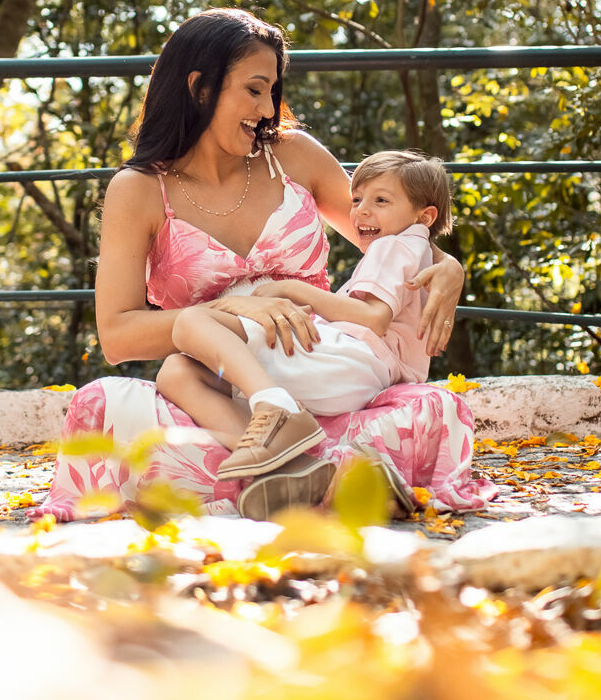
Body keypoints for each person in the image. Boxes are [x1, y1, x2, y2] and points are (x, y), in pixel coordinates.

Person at [36, 7, 496, 522]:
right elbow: (117, 336)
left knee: (432, 407)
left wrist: (448, 265)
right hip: (224, 397)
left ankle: (282, 478)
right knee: (101, 404)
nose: (268, 107)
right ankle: (315, 472)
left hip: (322, 372)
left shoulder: (294, 156)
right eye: (254, 89)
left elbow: (393, 233)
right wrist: (231, 311)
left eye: (272, 91)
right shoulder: (139, 190)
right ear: (200, 87)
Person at [156, 151, 453, 500]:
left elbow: (374, 318)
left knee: (190, 321)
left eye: (381, 201)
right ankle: (290, 469)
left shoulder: (394, 246)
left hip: (353, 362)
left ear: (424, 216)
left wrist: (291, 290)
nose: (361, 211)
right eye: (357, 200)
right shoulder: (412, 250)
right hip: (354, 371)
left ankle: (275, 407)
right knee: (176, 372)